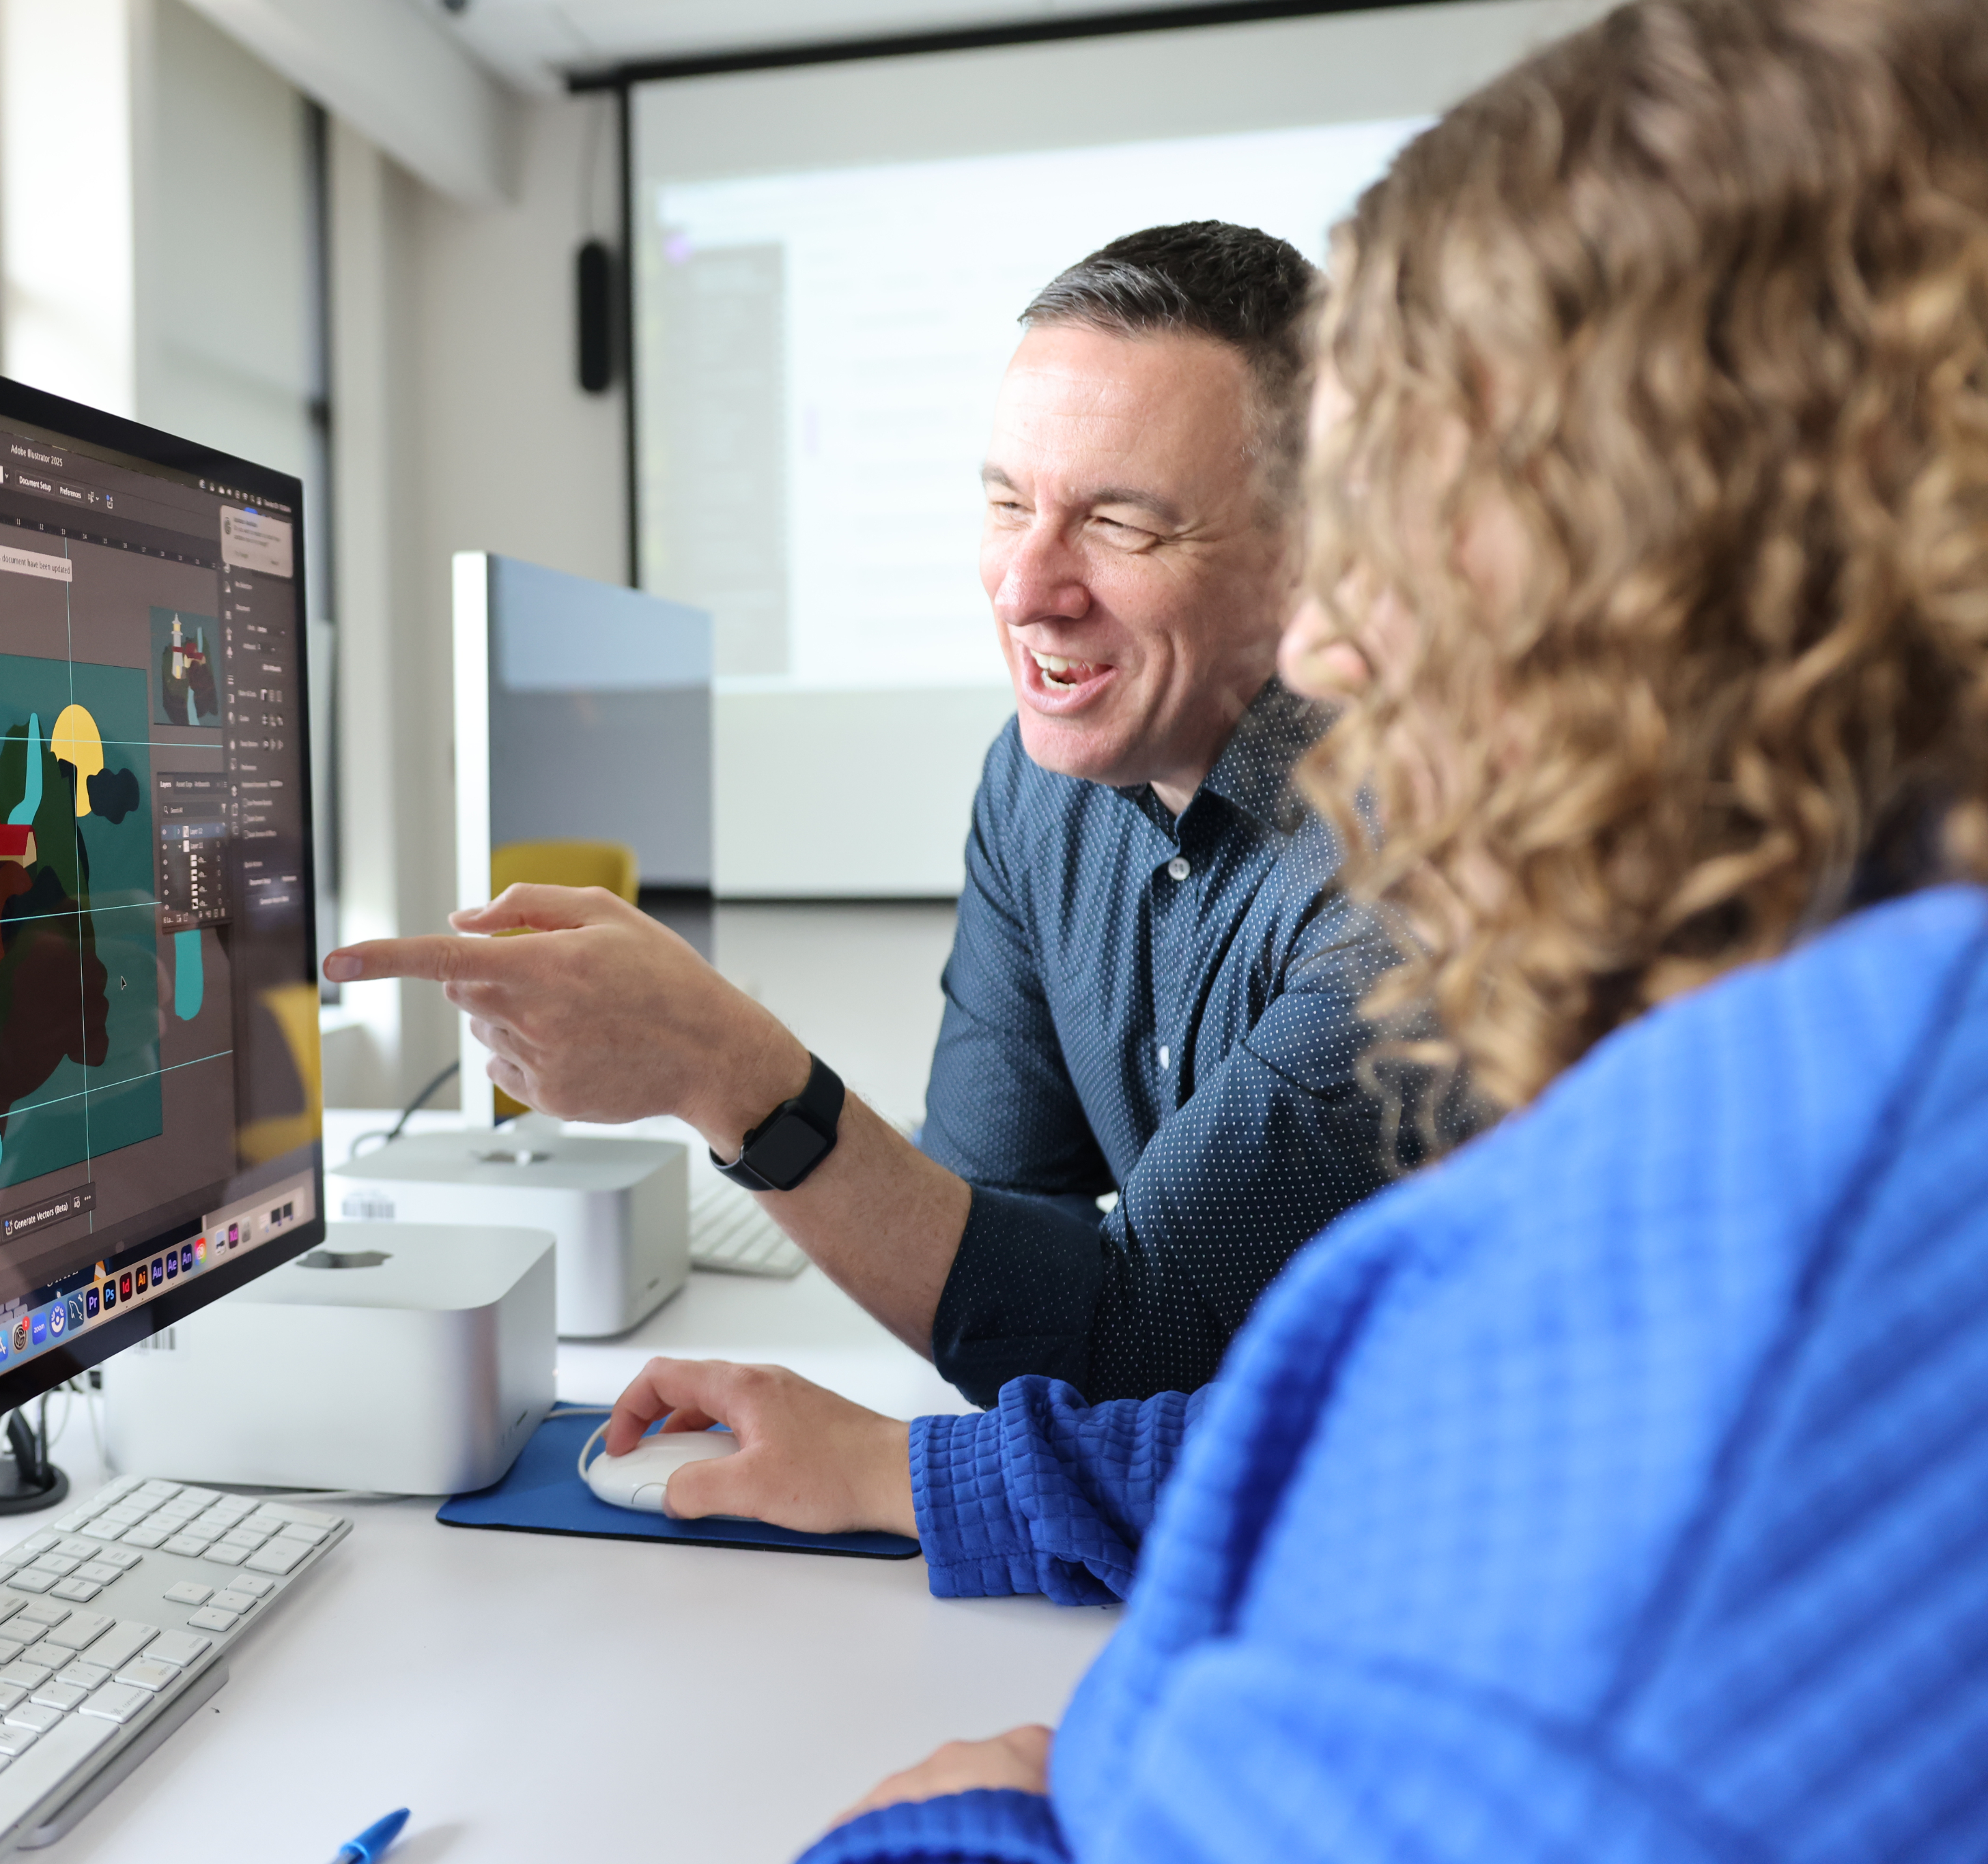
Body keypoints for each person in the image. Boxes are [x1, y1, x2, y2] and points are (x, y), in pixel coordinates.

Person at [631, 0, 1988, 1856]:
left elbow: (1151, 1341)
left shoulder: (1738, 1316)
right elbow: (1316, 1421)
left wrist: (1022, 1822)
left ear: (1727, 580)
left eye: (1420, 533)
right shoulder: (1748, 1095)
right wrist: (936, 1487)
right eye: (1009, 503)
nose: (1336, 659)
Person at [328, 222, 1413, 1406]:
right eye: (1008, 505)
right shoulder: (1036, 786)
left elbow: (1139, 1344)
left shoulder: (1409, 866)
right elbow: (984, 1224)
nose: (1023, 588)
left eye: (1120, 523)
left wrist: (727, 1069)